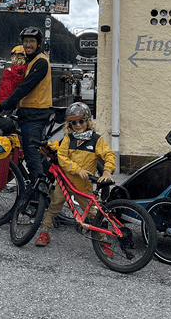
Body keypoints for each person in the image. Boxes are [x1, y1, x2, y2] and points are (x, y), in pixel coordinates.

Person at [36, 102, 115, 247]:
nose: (78, 125)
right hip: (64, 181)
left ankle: (103, 241)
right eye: (73, 123)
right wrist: (78, 170)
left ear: (88, 121)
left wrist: (106, 170)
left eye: (81, 121)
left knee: (92, 213)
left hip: (83, 185)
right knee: (54, 205)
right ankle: (44, 232)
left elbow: (109, 155)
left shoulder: (96, 140)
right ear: (69, 125)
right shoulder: (68, 138)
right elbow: (62, 157)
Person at [0, 27, 51, 185]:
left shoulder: (40, 62)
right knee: (36, 153)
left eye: (32, 41)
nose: (28, 44)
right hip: (28, 113)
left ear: (38, 44)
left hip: (35, 114)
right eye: (26, 41)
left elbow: (25, 87)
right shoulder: (30, 61)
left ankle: (37, 196)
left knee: (31, 156)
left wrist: (4, 104)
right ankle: (45, 184)